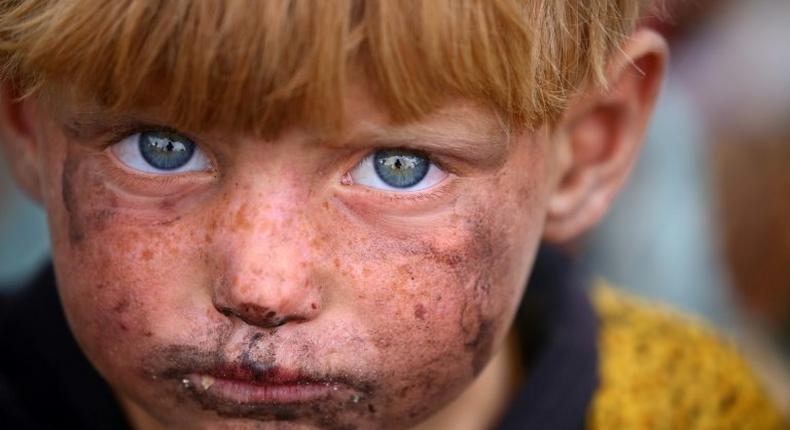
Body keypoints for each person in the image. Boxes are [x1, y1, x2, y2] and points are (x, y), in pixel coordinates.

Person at [0, 1, 783, 429]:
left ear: (586, 148)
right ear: (29, 121)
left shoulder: (700, 413)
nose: (261, 286)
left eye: (397, 168)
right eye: (160, 147)